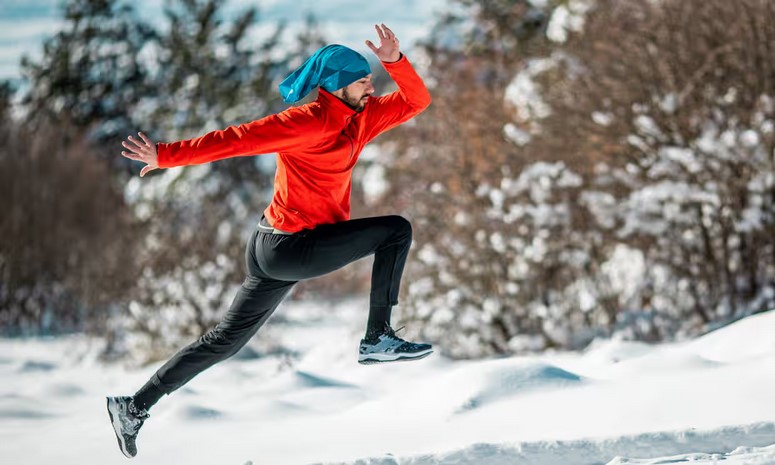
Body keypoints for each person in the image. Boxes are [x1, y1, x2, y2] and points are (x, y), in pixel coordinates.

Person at [107, 24, 433, 458]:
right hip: (289, 247)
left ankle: (133, 407)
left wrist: (395, 60)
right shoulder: (306, 122)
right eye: (362, 80)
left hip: (274, 245)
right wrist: (166, 155)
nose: (370, 85)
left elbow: (417, 100)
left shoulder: (363, 118)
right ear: (336, 87)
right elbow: (235, 140)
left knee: (224, 341)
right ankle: (377, 336)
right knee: (395, 230)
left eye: (370, 77)